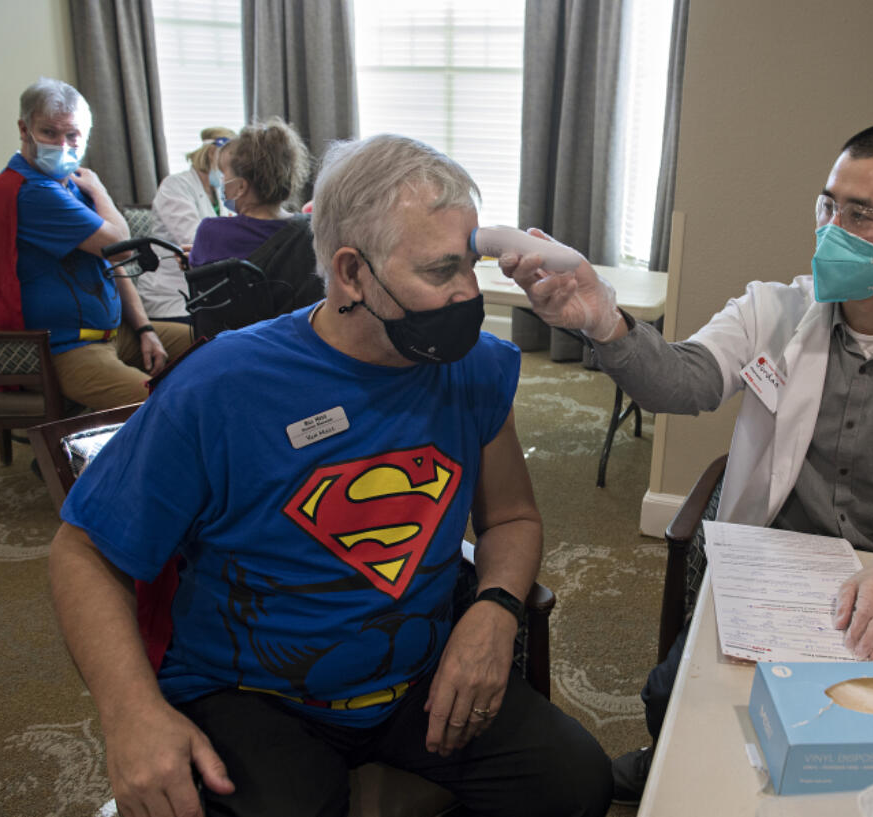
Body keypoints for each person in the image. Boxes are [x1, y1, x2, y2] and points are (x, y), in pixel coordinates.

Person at [48, 133, 612, 817]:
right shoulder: (224, 385)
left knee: (578, 783)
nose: (469, 294)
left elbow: (513, 518)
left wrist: (493, 611)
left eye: (470, 265)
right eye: (439, 273)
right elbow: (83, 550)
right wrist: (130, 714)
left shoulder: (477, 367)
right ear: (351, 273)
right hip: (254, 693)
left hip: (415, 678)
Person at [501, 123, 873, 803]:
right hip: (771, 568)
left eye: (859, 213)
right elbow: (682, 381)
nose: (830, 228)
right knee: (673, 697)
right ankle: (665, 760)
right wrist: (604, 321)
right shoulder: (774, 309)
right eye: (828, 204)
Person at [0, 77, 193, 410]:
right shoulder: (31, 190)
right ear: (24, 129)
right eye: (49, 133)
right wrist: (101, 192)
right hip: (66, 350)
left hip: (116, 334)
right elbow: (122, 247)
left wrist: (145, 329)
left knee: (216, 341)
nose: (63, 145)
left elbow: (115, 265)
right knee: (163, 406)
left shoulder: (72, 185)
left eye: (72, 135)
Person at [186, 117, 322, 334]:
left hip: (232, 350)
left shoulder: (211, 233)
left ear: (240, 186)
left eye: (224, 174)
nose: (221, 181)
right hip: (295, 347)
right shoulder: (312, 231)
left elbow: (205, 302)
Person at [134, 126, 236, 323]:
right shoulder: (175, 186)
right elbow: (195, 239)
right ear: (213, 154)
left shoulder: (219, 193)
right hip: (170, 295)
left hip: (206, 291)